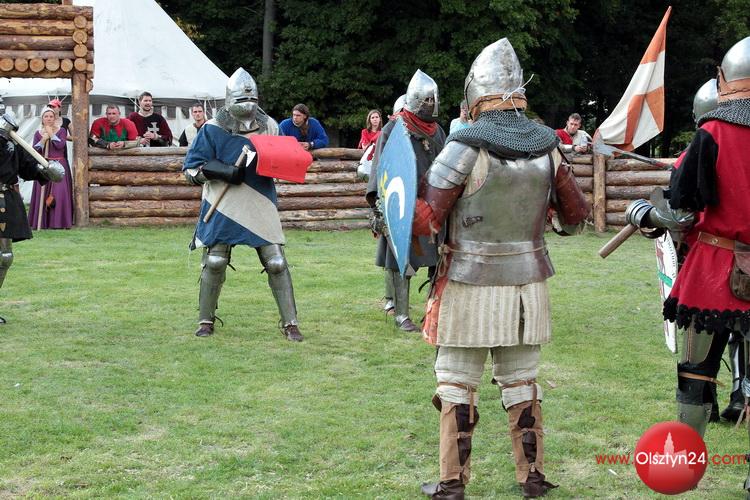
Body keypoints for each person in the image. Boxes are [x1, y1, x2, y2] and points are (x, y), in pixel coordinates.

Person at [412, 39, 589, 499]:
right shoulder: (548, 148)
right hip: (528, 282)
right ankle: (533, 478)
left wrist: (392, 213)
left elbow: (425, 219)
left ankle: (452, 483)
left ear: (474, 95)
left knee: (456, 383)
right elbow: (575, 219)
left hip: (468, 282)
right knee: (522, 382)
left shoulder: (464, 147)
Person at [624, 36, 750, 493]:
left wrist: (641, 213)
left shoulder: (715, 131)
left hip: (717, 269)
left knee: (696, 376)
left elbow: (681, 212)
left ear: (725, 80)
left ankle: (685, 464)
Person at [183, 68, 303, 342]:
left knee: (276, 262)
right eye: (241, 99)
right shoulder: (213, 128)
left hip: (260, 200)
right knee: (215, 261)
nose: (247, 104)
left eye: (251, 99)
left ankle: (291, 323)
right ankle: (205, 320)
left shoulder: (270, 125)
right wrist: (221, 171)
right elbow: (190, 170)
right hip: (223, 203)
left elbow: (283, 161)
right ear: (229, 99)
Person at [366, 70, 446, 332]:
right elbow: (382, 167)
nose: (430, 105)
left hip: (431, 203)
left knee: (438, 258)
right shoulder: (394, 128)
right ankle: (401, 314)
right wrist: (381, 206)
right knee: (403, 258)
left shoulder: (437, 131)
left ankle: (433, 311)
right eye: (426, 100)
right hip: (401, 202)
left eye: (433, 100)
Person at [0, 108, 65, 323]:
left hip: (6, 200)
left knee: (4, 257)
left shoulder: (10, 139)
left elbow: (26, 165)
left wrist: (44, 170)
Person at [27, 107, 73, 230]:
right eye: (46, 116)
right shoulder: (38, 133)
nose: (49, 119)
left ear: (54, 118)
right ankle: (42, 222)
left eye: (51, 116)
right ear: (42, 119)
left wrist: (51, 134)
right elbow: (35, 151)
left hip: (59, 164)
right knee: (42, 192)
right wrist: (43, 139)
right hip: (44, 164)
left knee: (59, 192)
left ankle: (59, 222)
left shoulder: (61, 131)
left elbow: (60, 145)